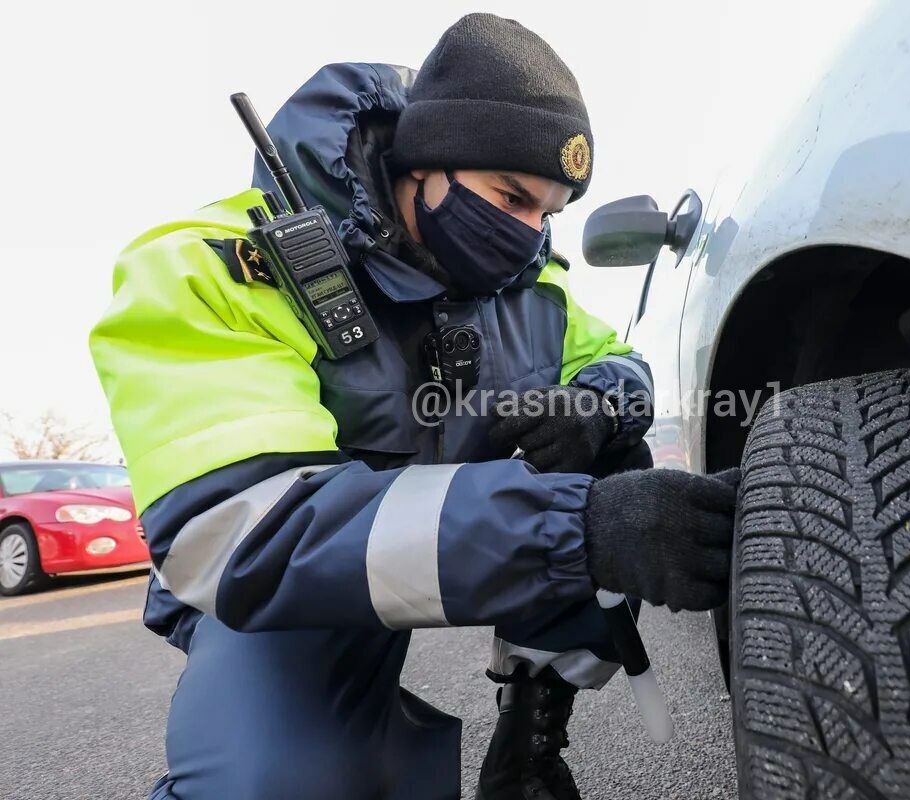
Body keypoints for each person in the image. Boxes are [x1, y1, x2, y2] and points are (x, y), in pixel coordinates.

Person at [89, 13, 739, 800]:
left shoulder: (527, 280)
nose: (530, 234)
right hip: (283, 592)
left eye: (550, 213)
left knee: (612, 459)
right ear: (424, 161)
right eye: (510, 197)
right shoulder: (215, 266)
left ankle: (530, 737)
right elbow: (239, 530)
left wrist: (599, 403)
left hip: (452, 542)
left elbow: (617, 360)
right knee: (278, 780)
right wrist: (575, 528)